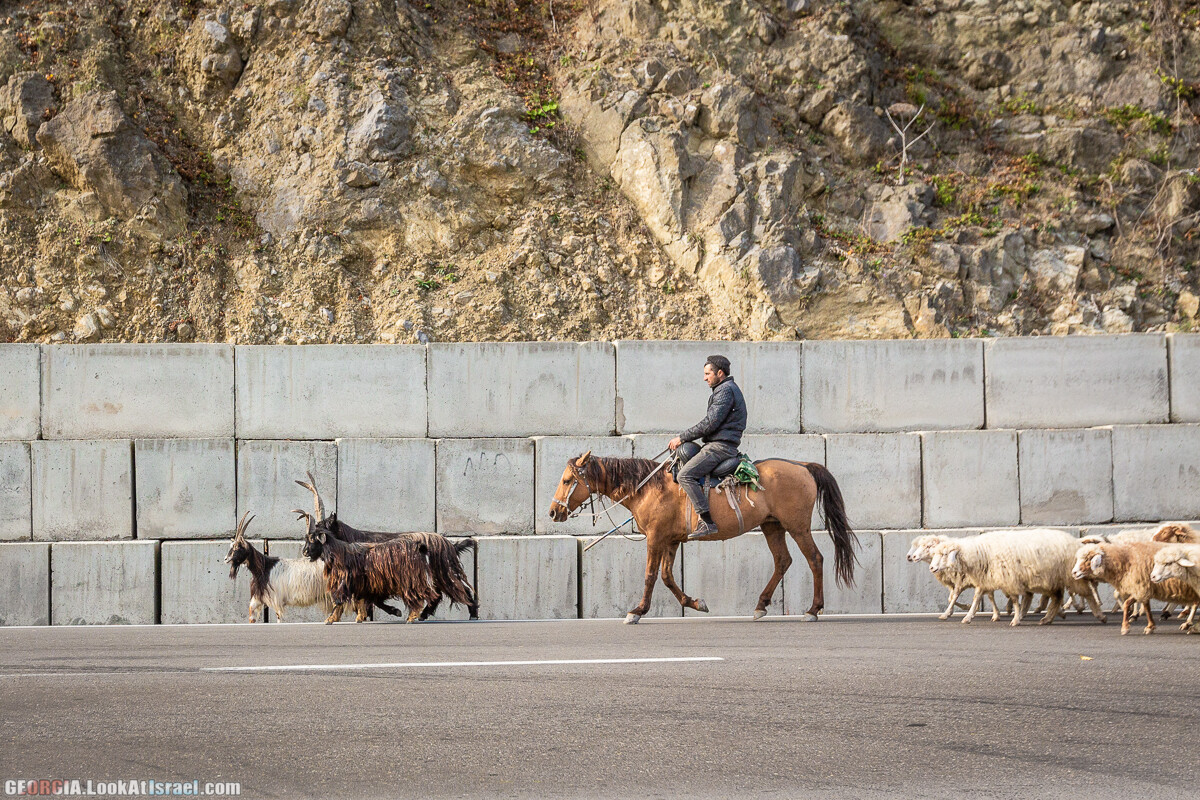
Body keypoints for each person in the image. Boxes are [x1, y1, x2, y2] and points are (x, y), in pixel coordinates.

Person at [668, 354, 747, 540]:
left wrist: (681, 437)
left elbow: (710, 423)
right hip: (717, 444)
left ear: (720, 373)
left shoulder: (725, 390)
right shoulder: (725, 389)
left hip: (720, 447)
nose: (705, 378)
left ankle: (707, 521)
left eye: (707, 374)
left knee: (685, 475)